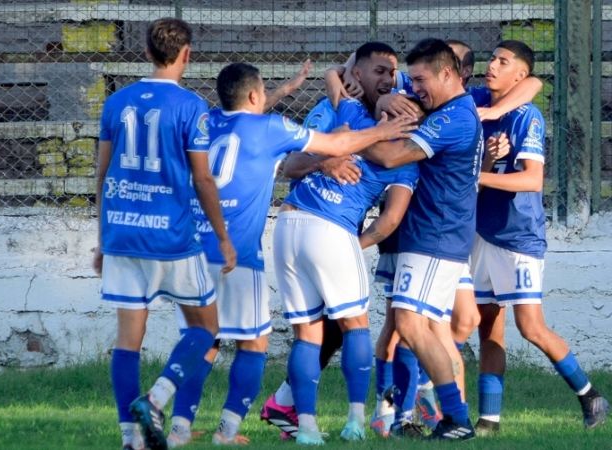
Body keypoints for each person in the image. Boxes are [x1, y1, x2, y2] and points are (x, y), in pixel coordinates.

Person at [166, 60, 415, 447]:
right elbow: (389, 215)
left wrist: (292, 88)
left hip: (246, 234)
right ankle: (348, 421)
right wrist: (382, 132)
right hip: (250, 249)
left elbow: (317, 91)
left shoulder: (211, 120)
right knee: (340, 328)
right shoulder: (401, 158)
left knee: (219, 339)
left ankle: (185, 427)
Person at [92, 17, 237, 450]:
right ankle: (155, 399)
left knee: (127, 340)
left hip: (123, 236)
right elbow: (203, 180)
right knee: (206, 329)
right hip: (172, 238)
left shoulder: (116, 102)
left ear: (146, 52)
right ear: (187, 54)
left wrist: (103, 238)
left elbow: (100, 176)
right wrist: (223, 238)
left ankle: (130, 440)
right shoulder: (192, 106)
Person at [472, 40, 610, 435]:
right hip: (482, 232)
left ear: (519, 74)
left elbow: (532, 179)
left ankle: (589, 394)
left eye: (503, 62)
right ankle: (489, 421)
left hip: (518, 236)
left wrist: (477, 176)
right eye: (492, 58)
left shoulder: (527, 117)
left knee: (531, 327)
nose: (492, 66)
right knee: (487, 327)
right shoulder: (477, 98)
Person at [359, 37, 483, 440]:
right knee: (427, 327)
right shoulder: (447, 108)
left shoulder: (456, 118)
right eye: (410, 81)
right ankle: (451, 416)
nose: (414, 89)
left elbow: (393, 157)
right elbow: (373, 91)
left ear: (448, 74)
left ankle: (454, 416)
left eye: (420, 79)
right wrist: (382, 106)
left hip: (434, 235)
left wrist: (354, 138)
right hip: (437, 235)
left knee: (410, 325)